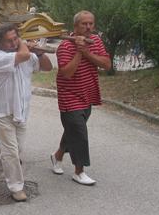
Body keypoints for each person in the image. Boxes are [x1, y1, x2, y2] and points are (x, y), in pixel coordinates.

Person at [0, 23, 53, 201]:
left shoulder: (26, 54)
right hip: (1, 112)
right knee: (11, 152)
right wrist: (24, 43)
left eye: (15, 39)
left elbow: (47, 67)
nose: (14, 43)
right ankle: (16, 188)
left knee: (18, 149)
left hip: (21, 111)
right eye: (9, 41)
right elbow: (23, 54)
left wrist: (39, 52)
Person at [50, 10, 111, 186]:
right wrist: (79, 52)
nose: (88, 27)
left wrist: (87, 52)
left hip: (88, 94)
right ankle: (79, 171)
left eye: (91, 23)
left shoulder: (96, 41)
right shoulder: (65, 46)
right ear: (75, 26)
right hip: (69, 96)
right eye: (84, 24)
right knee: (79, 132)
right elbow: (67, 73)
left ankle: (57, 156)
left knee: (73, 131)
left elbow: (106, 64)